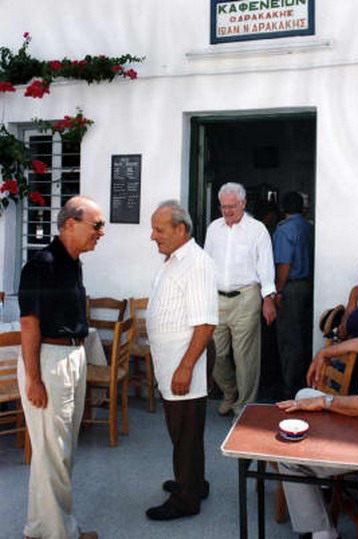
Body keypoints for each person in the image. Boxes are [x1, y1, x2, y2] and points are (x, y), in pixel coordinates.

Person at [275, 267, 358, 539]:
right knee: (303, 396)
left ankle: (322, 533)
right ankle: (320, 486)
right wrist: (325, 352)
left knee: (289, 456)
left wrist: (326, 402)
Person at [18, 196, 105, 539]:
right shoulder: (41, 264)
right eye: (96, 225)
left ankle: (40, 528)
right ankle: (59, 534)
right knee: (54, 452)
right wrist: (34, 379)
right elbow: (29, 324)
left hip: (72, 356)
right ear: (70, 224)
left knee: (58, 453)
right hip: (48, 361)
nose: (101, 232)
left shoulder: (73, 263)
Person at [146, 200, 218, 520]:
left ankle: (186, 499)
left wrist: (186, 367)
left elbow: (205, 324)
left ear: (180, 229)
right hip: (173, 359)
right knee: (183, 429)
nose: (153, 236)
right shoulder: (175, 259)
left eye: (158, 230)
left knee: (185, 430)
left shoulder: (197, 263)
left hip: (185, 361)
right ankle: (193, 482)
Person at [204, 182, 276, 417]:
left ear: (243, 204)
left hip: (246, 297)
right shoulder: (214, 228)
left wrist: (268, 299)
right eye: (223, 207)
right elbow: (206, 263)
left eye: (232, 207)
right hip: (217, 299)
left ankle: (244, 406)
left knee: (245, 357)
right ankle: (230, 392)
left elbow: (265, 266)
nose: (227, 211)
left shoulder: (257, 230)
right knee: (216, 353)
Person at [273, 191, 313, 398]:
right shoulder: (309, 227)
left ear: (283, 208)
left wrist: (279, 290)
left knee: (289, 339)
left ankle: (290, 387)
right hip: (308, 286)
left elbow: (284, 264)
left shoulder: (284, 230)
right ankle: (304, 381)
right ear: (302, 208)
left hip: (291, 288)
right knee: (304, 336)